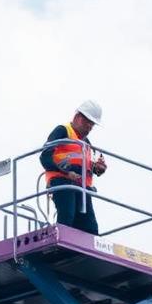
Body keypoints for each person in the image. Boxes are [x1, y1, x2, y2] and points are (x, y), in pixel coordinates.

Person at [40, 100, 107, 233]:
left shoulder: (86, 143)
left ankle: (84, 253)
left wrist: (97, 168)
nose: (88, 127)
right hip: (62, 181)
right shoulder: (63, 131)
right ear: (77, 117)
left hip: (82, 188)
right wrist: (65, 172)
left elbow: (84, 165)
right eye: (86, 122)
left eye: (91, 125)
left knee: (90, 227)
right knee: (67, 215)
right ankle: (60, 247)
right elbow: (45, 156)